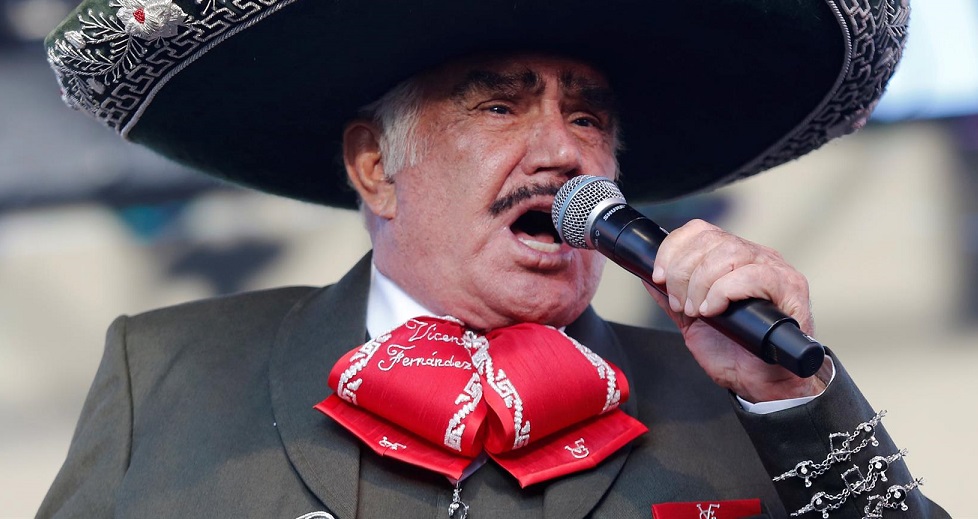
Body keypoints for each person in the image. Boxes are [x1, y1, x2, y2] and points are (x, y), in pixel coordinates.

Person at [39, 0, 948, 517]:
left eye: (587, 117)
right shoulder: (161, 371)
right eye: (500, 107)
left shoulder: (745, 402)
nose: (563, 152)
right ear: (374, 166)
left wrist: (793, 398)